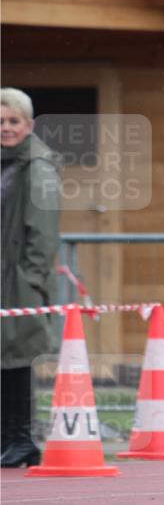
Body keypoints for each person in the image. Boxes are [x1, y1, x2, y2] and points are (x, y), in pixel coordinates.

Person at [1, 88, 61, 468]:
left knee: (16, 359)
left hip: (19, 279)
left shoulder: (37, 167)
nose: (5, 129)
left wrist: (32, 281)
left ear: (29, 125)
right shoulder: (6, 163)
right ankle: (9, 438)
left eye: (13, 121)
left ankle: (21, 439)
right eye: (0, 122)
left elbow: (43, 232)